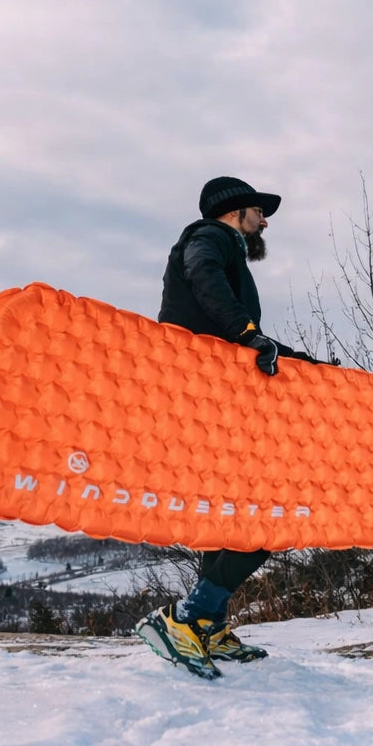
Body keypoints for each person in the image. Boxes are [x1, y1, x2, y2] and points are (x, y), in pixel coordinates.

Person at [134, 175, 325, 679]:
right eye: (259, 212)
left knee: (229, 516)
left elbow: (236, 340)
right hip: (207, 404)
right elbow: (206, 279)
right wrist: (248, 332)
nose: (265, 222)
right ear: (234, 211)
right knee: (269, 511)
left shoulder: (221, 249)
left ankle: (206, 624)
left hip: (206, 401)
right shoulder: (210, 238)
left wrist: (296, 359)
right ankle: (186, 618)